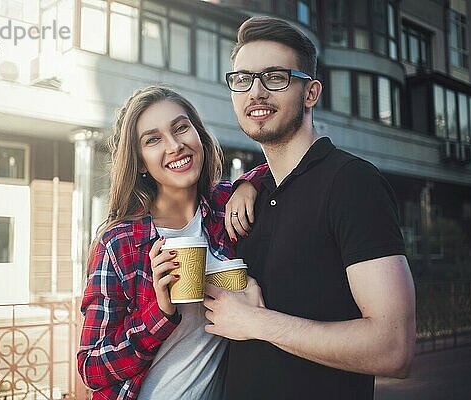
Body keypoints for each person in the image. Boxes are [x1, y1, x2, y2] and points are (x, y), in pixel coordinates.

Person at [203, 16, 417, 399]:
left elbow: (394, 347)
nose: (257, 92)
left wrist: (256, 322)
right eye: (243, 79)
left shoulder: (352, 183)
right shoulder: (249, 194)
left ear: (311, 93)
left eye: (275, 77)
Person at [77, 86, 264, 400]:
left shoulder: (223, 210)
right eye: (153, 139)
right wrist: (160, 312)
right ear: (139, 162)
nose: (175, 145)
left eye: (181, 128)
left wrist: (249, 183)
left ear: (198, 134)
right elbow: (91, 367)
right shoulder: (119, 243)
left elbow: (282, 169)